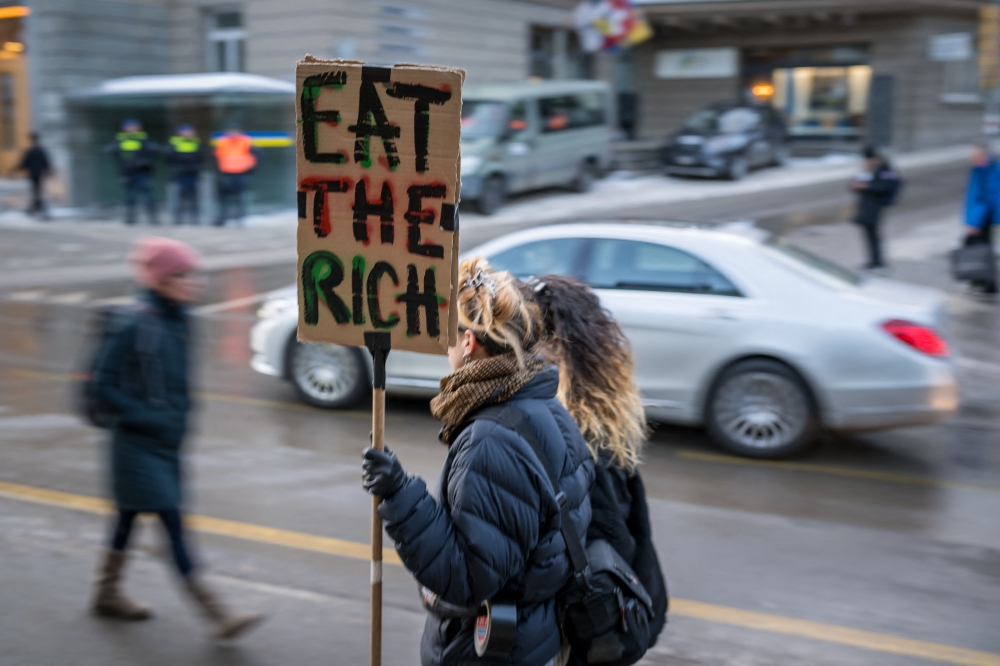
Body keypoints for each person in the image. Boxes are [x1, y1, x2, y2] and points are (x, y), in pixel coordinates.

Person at [361, 258, 594, 666]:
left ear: (468, 343)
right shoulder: (545, 406)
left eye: (448, 336)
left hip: (488, 650)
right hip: (534, 631)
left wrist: (400, 495)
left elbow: (467, 577)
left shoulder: (488, 441)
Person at [90, 237, 263, 639]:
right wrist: (148, 417)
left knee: (127, 517)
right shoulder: (135, 323)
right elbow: (102, 384)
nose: (193, 283)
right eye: (183, 275)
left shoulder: (179, 320)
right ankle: (217, 612)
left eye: (193, 274)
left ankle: (106, 592)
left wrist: (175, 421)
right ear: (162, 280)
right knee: (171, 520)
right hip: (136, 445)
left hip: (165, 445)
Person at [529, 275, 669, 659]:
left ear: (557, 350)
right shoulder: (600, 416)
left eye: (531, 343)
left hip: (585, 629)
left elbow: (608, 540)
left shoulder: (578, 439)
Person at [850, 145, 900, 271]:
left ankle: (878, 262)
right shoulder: (867, 170)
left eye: (869, 159)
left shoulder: (884, 169)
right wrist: (855, 186)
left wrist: (867, 187)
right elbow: (856, 183)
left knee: (874, 236)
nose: (866, 162)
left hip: (876, 206)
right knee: (868, 236)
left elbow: (887, 186)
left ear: (874, 158)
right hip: (866, 206)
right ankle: (872, 261)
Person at [962, 141, 999, 295]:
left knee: (983, 252)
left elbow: (986, 199)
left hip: (983, 218)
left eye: (973, 153)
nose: (970, 156)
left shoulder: (987, 170)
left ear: (982, 154)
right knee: (978, 249)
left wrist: (974, 223)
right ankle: (978, 281)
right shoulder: (979, 168)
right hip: (980, 217)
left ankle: (988, 286)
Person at [107, 119, 158, 225]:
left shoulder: (144, 139)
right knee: (129, 197)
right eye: (129, 127)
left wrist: (143, 163)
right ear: (124, 128)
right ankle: (130, 218)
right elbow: (114, 155)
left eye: (134, 127)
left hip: (142, 172)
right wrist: (123, 166)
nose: (131, 129)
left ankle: (152, 218)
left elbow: (151, 154)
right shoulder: (119, 140)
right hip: (127, 172)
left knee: (148, 196)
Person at [214, 126, 257, 227]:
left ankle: (241, 219)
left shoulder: (246, 142)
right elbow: (216, 157)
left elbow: (257, 156)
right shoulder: (222, 142)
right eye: (230, 131)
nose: (232, 133)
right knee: (225, 198)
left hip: (241, 174)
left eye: (234, 131)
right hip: (226, 174)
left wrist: (250, 169)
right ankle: (222, 218)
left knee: (241, 197)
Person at [164, 124, 204, 225]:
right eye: (185, 131)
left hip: (192, 174)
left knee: (194, 198)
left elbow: (201, 156)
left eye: (189, 131)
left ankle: (194, 218)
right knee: (178, 198)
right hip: (179, 174)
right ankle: (178, 218)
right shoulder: (173, 143)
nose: (187, 134)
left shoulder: (196, 142)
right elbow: (168, 157)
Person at [18, 132, 51, 218]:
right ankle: (38, 206)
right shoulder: (40, 150)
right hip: (39, 174)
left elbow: (24, 163)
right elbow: (46, 163)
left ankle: (36, 206)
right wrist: (48, 171)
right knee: (37, 190)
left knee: (35, 191)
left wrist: (16, 169)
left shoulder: (31, 151)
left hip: (33, 174)